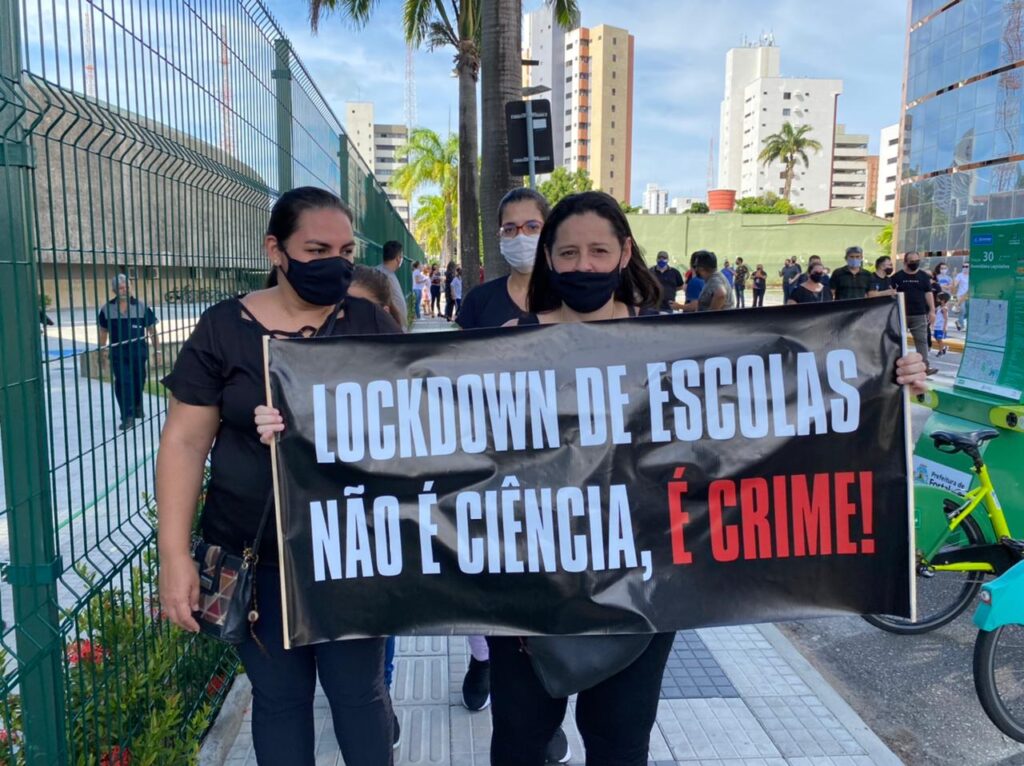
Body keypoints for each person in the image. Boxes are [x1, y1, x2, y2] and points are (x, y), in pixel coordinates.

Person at [158, 187, 400, 765]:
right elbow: (185, 442)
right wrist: (175, 555)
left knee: (359, 695)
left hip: (351, 555)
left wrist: (319, 421)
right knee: (279, 702)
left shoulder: (370, 323)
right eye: (316, 249)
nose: (335, 264)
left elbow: (413, 430)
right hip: (252, 553)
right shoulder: (222, 328)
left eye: (344, 250)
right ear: (276, 249)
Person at [492, 191, 673, 766]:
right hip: (528, 584)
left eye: (599, 251)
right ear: (548, 257)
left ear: (624, 252)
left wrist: (887, 374)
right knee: (520, 742)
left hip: (639, 587)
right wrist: (291, 420)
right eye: (568, 253)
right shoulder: (505, 346)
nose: (584, 266)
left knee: (620, 742)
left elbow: (780, 407)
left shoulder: (675, 347)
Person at [454, 186, 572, 764]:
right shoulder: (479, 304)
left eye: (531, 227)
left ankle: (547, 722)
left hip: (567, 488)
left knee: (557, 609)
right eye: (509, 228)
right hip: (498, 485)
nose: (520, 238)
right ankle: (487, 664)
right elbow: (451, 387)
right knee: (503, 609)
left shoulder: (576, 299)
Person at [97, 274, 159, 430]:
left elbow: (152, 330)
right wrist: (102, 351)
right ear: (114, 290)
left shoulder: (141, 306)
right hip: (118, 354)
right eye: (120, 288)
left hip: (139, 352)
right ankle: (127, 416)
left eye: (126, 287)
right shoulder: (106, 309)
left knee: (139, 381)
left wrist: (157, 351)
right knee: (123, 383)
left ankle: (137, 404)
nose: (124, 290)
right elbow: (103, 332)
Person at [890, 252, 936, 374]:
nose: (915, 263)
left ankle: (924, 366)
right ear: (905, 262)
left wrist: (932, 310)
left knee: (922, 340)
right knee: (898, 341)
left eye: (917, 260)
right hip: (901, 314)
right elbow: (890, 293)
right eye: (912, 261)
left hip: (919, 314)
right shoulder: (897, 277)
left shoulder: (924, 276)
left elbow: (928, 293)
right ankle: (896, 366)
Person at [375, 240, 407, 330]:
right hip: (392, 329)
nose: (401, 259)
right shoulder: (380, 274)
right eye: (401, 256)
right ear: (398, 258)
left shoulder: (388, 273)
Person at [932, 292, 951, 356]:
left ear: (943, 300)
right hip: (936, 326)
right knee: (936, 338)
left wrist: (944, 327)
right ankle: (944, 347)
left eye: (939, 298)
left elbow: (946, 319)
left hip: (941, 327)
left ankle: (940, 351)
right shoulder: (939, 307)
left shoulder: (944, 309)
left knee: (939, 339)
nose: (937, 299)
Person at [953, 262, 970, 330]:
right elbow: (955, 285)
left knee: (968, 312)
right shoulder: (960, 275)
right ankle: (962, 326)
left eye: (966, 266)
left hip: (969, 295)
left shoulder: (972, 275)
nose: (965, 268)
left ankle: (959, 321)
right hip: (960, 296)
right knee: (962, 311)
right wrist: (954, 276)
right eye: (963, 266)